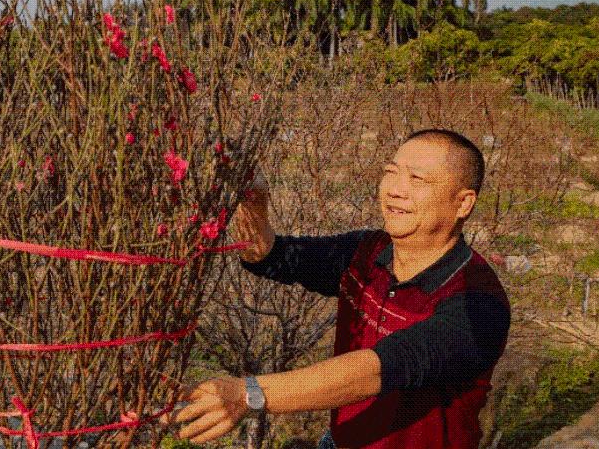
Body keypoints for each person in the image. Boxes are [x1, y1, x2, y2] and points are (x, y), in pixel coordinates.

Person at [171, 129, 511, 449]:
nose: (395, 188)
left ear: (463, 203)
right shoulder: (367, 252)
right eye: (391, 172)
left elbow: (379, 369)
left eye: (417, 179)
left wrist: (249, 393)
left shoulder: (477, 301)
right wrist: (252, 206)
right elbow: (273, 257)